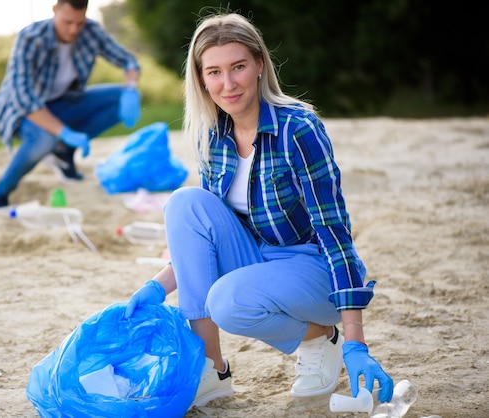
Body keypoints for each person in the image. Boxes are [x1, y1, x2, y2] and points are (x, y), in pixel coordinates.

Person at [125, 12, 394, 409]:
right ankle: (210, 369)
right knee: (185, 203)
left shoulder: (297, 129)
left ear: (259, 65)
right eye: (214, 72)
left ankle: (321, 336)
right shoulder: (213, 136)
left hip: (312, 272)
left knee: (227, 301)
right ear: (201, 79)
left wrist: (356, 339)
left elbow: (334, 231)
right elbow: (205, 238)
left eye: (238, 67)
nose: (228, 83)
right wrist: (159, 286)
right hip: (259, 259)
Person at [0, 0, 141, 213]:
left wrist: (130, 88)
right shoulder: (30, 38)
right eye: (67, 22)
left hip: (64, 103)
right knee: (45, 139)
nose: (74, 30)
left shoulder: (91, 31)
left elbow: (129, 61)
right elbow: (25, 99)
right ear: (55, 10)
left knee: (124, 97)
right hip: (20, 112)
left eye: (79, 23)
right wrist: (63, 132)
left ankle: (63, 153)